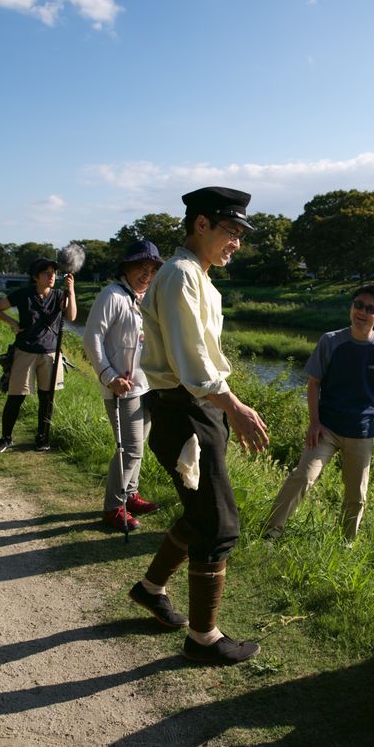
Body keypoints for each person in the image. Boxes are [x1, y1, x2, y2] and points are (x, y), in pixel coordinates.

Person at [127, 186, 269, 665]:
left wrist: (223, 407)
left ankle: (151, 588)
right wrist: (236, 407)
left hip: (194, 409)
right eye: (231, 230)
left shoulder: (200, 279)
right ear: (201, 224)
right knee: (220, 523)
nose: (237, 242)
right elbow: (194, 365)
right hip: (187, 409)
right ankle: (203, 637)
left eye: (241, 234)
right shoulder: (183, 276)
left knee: (200, 513)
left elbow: (203, 357)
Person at [263, 284, 374, 542]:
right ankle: (270, 532)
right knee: (302, 477)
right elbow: (313, 383)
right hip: (326, 428)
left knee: (356, 496)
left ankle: (345, 544)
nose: (361, 312)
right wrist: (314, 423)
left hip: (361, 433)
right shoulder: (330, 341)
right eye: (357, 305)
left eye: (370, 309)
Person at [83, 240, 163, 532]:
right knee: (129, 448)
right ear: (127, 268)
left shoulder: (143, 298)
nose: (147, 273)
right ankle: (114, 507)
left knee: (138, 446)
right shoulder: (112, 295)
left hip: (145, 385)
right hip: (122, 387)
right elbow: (92, 338)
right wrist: (108, 375)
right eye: (141, 267)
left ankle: (131, 494)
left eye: (153, 269)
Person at [0, 257, 77, 453]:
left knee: (47, 399)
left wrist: (71, 291)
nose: (51, 276)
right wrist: (13, 323)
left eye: (53, 273)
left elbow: (71, 316)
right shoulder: (23, 294)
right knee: (15, 397)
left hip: (51, 353)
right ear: (35, 277)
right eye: (46, 273)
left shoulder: (59, 295)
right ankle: (6, 438)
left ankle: (42, 437)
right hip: (25, 352)